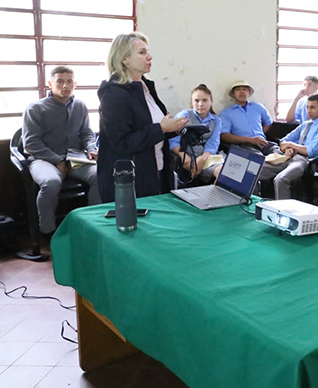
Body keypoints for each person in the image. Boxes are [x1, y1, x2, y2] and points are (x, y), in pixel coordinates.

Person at [97, 32, 188, 203]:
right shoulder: (113, 94)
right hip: (130, 179)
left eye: (148, 52)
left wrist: (174, 128)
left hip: (156, 170)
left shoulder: (145, 87)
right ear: (125, 59)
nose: (150, 57)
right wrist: (161, 128)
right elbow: (122, 143)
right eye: (142, 52)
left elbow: (151, 128)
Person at [22, 66, 100, 239]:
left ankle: (92, 225)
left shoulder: (80, 105)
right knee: (50, 182)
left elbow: (87, 133)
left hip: (74, 158)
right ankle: (48, 232)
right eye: (60, 81)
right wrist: (57, 160)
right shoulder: (35, 108)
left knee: (99, 175)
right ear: (50, 84)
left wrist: (91, 149)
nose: (65, 85)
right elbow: (31, 143)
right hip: (43, 159)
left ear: (75, 84)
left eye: (69, 81)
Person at [260, 94, 318, 200]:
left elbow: (310, 151)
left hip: (307, 162)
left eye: (313, 107)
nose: (309, 111)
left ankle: (284, 213)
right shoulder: (306, 124)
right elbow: (283, 140)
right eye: (307, 107)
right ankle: (254, 206)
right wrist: (288, 148)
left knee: (281, 179)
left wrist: (291, 145)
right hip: (290, 156)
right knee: (255, 170)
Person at [168, 84, 224, 184]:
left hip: (208, 157)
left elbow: (213, 143)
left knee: (223, 174)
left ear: (211, 101)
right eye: (196, 101)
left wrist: (202, 160)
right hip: (187, 156)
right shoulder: (184, 116)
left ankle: (216, 197)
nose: (200, 104)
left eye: (205, 100)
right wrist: (184, 157)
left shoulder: (216, 120)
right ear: (192, 102)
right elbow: (173, 141)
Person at [219, 79, 275, 155]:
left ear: (248, 92)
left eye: (244, 89)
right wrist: (250, 140)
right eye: (238, 90)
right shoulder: (226, 113)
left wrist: (260, 134)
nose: (242, 92)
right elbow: (225, 136)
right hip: (244, 146)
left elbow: (268, 122)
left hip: (263, 142)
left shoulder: (258, 107)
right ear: (233, 94)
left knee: (281, 153)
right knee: (259, 160)